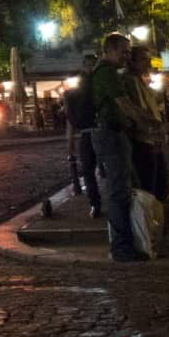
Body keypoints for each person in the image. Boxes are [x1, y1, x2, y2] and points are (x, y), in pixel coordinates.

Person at [90, 33, 147, 263]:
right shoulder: (106, 73)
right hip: (111, 134)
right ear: (111, 50)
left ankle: (129, 243)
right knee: (119, 191)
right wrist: (152, 124)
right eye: (124, 51)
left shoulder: (107, 73)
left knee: (127, 187)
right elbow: (125, 105)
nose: (127, 56)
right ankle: (122, 247)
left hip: (113, 133)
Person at [126, 46, 168, 201]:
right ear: (133, 62)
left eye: (148, 58)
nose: (148, 62)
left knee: (158, 185)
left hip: (150, 139)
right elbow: (139, 112)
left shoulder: (139, 81)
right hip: (145, 141)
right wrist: (155, 131)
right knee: (152, 187)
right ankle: (151, 221)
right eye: (143, 59)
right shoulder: (132, 81)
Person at [64, 53, 102, 218]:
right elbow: (71, 117)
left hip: (98, 132)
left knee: (93, 170)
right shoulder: (80, 91)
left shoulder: (94, 86)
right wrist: (70, 140)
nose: (90, 68)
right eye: (88, 65)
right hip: (91, 133)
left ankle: (97, 203)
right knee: (89, 170)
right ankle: (95, 203)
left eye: (92, 65)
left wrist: (70, 140)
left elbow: (71, 117)